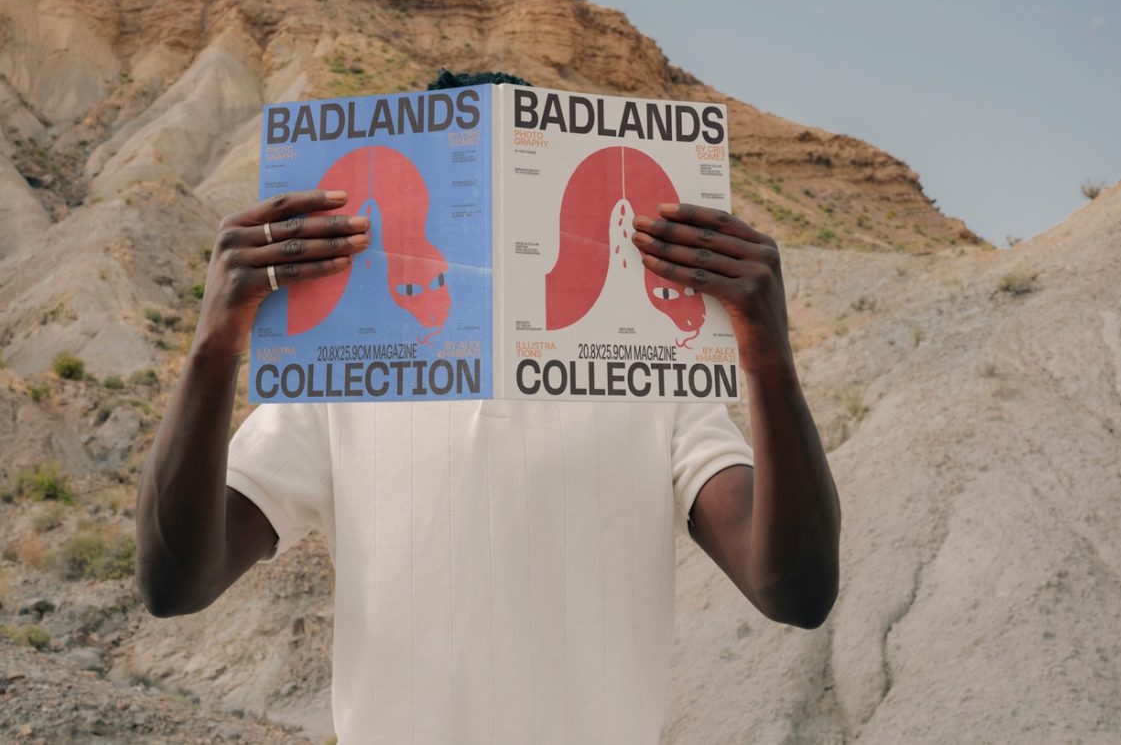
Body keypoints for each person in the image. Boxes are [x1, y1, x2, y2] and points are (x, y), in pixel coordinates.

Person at [136, 186, 841, 744]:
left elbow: (794, 591)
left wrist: (767, 357)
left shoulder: (652, 382)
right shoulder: (343, 381)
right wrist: (214, 347)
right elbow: (176, 582)